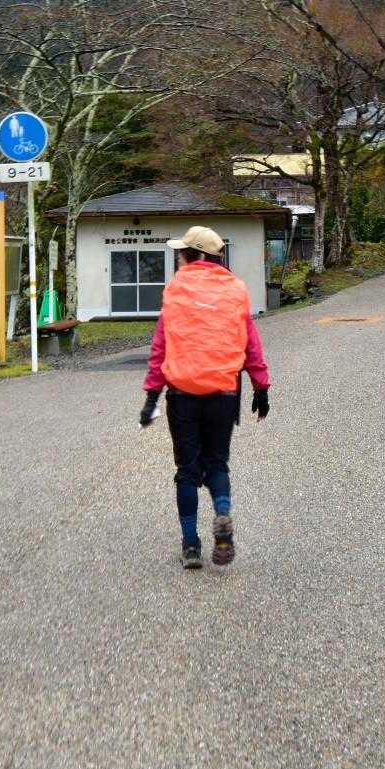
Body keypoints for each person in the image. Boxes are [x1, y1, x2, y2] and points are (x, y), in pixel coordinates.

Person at [139, 225, 271, 569]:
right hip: (224, 392)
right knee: (216, 463)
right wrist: (261, 387)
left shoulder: (175, 288)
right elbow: (250, 342)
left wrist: (152, 396)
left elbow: (160, 346)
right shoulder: (236, 289)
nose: (178, 258)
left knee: (187, 470)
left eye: (181, 253)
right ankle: (222, 514)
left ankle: (191, 545)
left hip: (182, 393)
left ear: (193, 255)